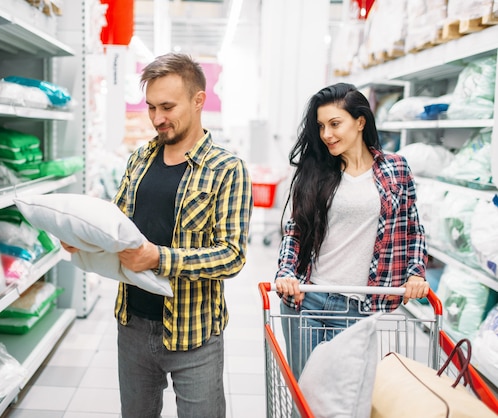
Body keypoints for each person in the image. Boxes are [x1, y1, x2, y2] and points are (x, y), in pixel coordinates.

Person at [62, 52, 252, 418]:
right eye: (150, 107)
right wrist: (83, 237)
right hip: (132, 324)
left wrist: (159, 258)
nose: (157, 119)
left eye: (167, 106)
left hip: (193, 333)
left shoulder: (227, 169)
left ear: (199, 101)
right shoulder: (139, 159)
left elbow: (231, 255)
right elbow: (115, 226)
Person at [273, 82, 429, 378]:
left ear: (360, 122)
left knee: (344, 398)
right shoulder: (316, 170)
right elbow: (295, 232)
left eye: (335, 124)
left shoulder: (396, 169)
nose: (326, 135)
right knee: (305, 394)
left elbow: (413, 229)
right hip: (307, 297)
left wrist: (416, 272)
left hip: (358, 306)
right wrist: (286, 273)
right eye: (321, 126)